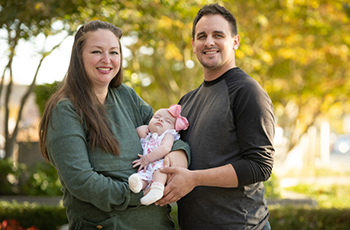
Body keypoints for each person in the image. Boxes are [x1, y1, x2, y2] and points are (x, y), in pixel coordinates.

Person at [38, 20, 190, 230]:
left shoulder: (127, 97)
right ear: (78, 57)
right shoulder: (65, 110)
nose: (106, 60)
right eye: (96, 51)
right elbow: (82, 182)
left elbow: (169, 130)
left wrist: (180, 154)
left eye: (114, 52)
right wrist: (143, 192)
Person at [157, 3, 275, 230]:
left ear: (235, 41)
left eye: (218, 35)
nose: (209, 42)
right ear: (193, 45)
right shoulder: (186, 101)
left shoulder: (246, 91)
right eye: (202, 36)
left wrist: (194, 178)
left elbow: (260, 166)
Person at [129, 104, 189, 205]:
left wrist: (147, 158)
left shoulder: (168, 135)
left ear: (173, 129)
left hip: (158, 162)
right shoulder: (149, 136)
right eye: (156, 117)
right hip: (147, 166)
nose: (160, 120)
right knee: (143, 176)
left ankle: (157, 189)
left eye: (167, 121)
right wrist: (149, 128)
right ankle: (138, 185)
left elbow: (165, 148)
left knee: (160, 170)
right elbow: (138, 131)